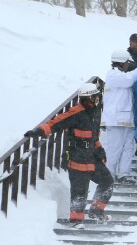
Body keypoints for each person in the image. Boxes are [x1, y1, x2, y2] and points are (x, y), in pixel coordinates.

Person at [24, 83, 113, 229]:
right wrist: (38, 132)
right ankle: (76, 221)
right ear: (88, 98)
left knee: (107, 181)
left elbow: (93, 135)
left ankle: (96, 211)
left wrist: (99, 148)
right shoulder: (76, 112)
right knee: (80, 190)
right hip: (77, 157)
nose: (98, 99)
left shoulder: (96, 111)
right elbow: (56, 122)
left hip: (92, 155)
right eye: (95, 96)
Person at [101, 49, 137, 185]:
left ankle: (123, 174)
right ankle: (109, 175)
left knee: (129, 147)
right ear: (122, 62)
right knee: (115, 148)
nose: (128, 65)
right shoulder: (113, 75)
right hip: (116, 119)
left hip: (126, 119)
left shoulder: (121, 75)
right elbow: (129, 79)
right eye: (127, 63)